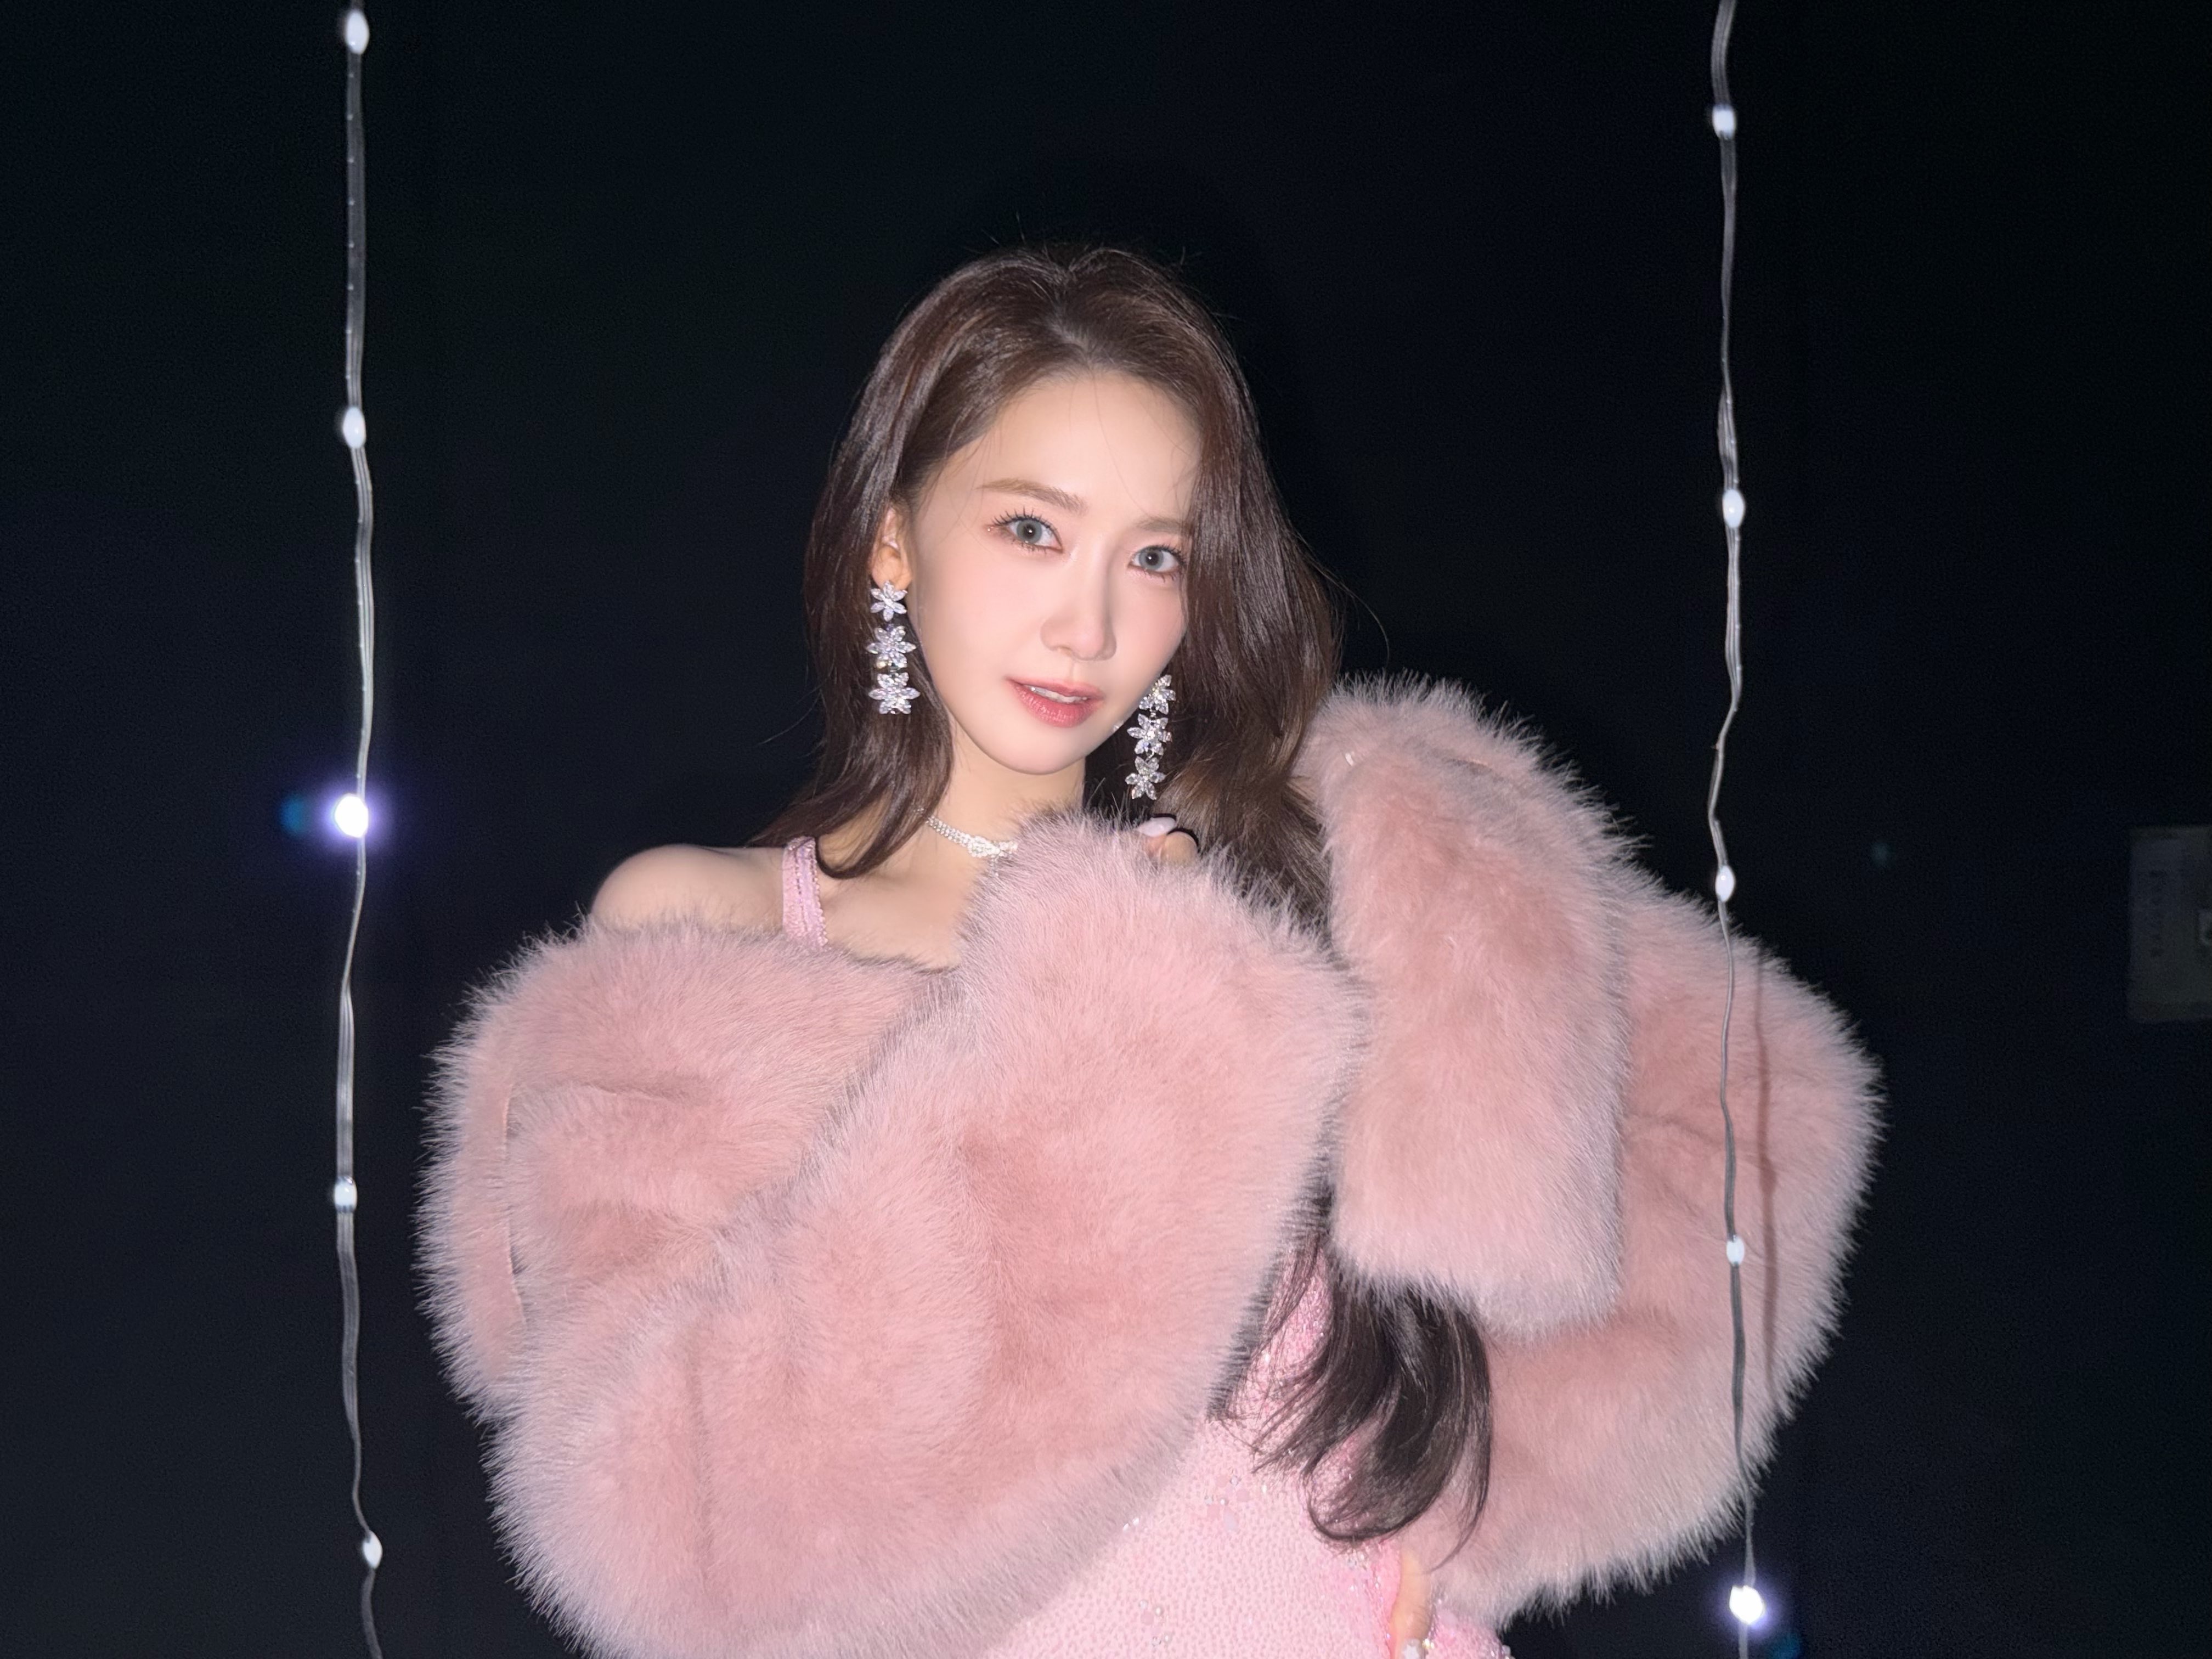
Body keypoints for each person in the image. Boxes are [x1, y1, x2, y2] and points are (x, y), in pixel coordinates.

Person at [419, 245, 1878, 1658]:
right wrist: (1109, 1013)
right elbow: (662, 1519)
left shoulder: (1294, 884)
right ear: (894, 536)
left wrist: (1474, 1519)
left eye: (1158, 555)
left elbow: (1743, 1118)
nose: (1092, 621)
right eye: (1032, 530)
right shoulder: (710, 933)